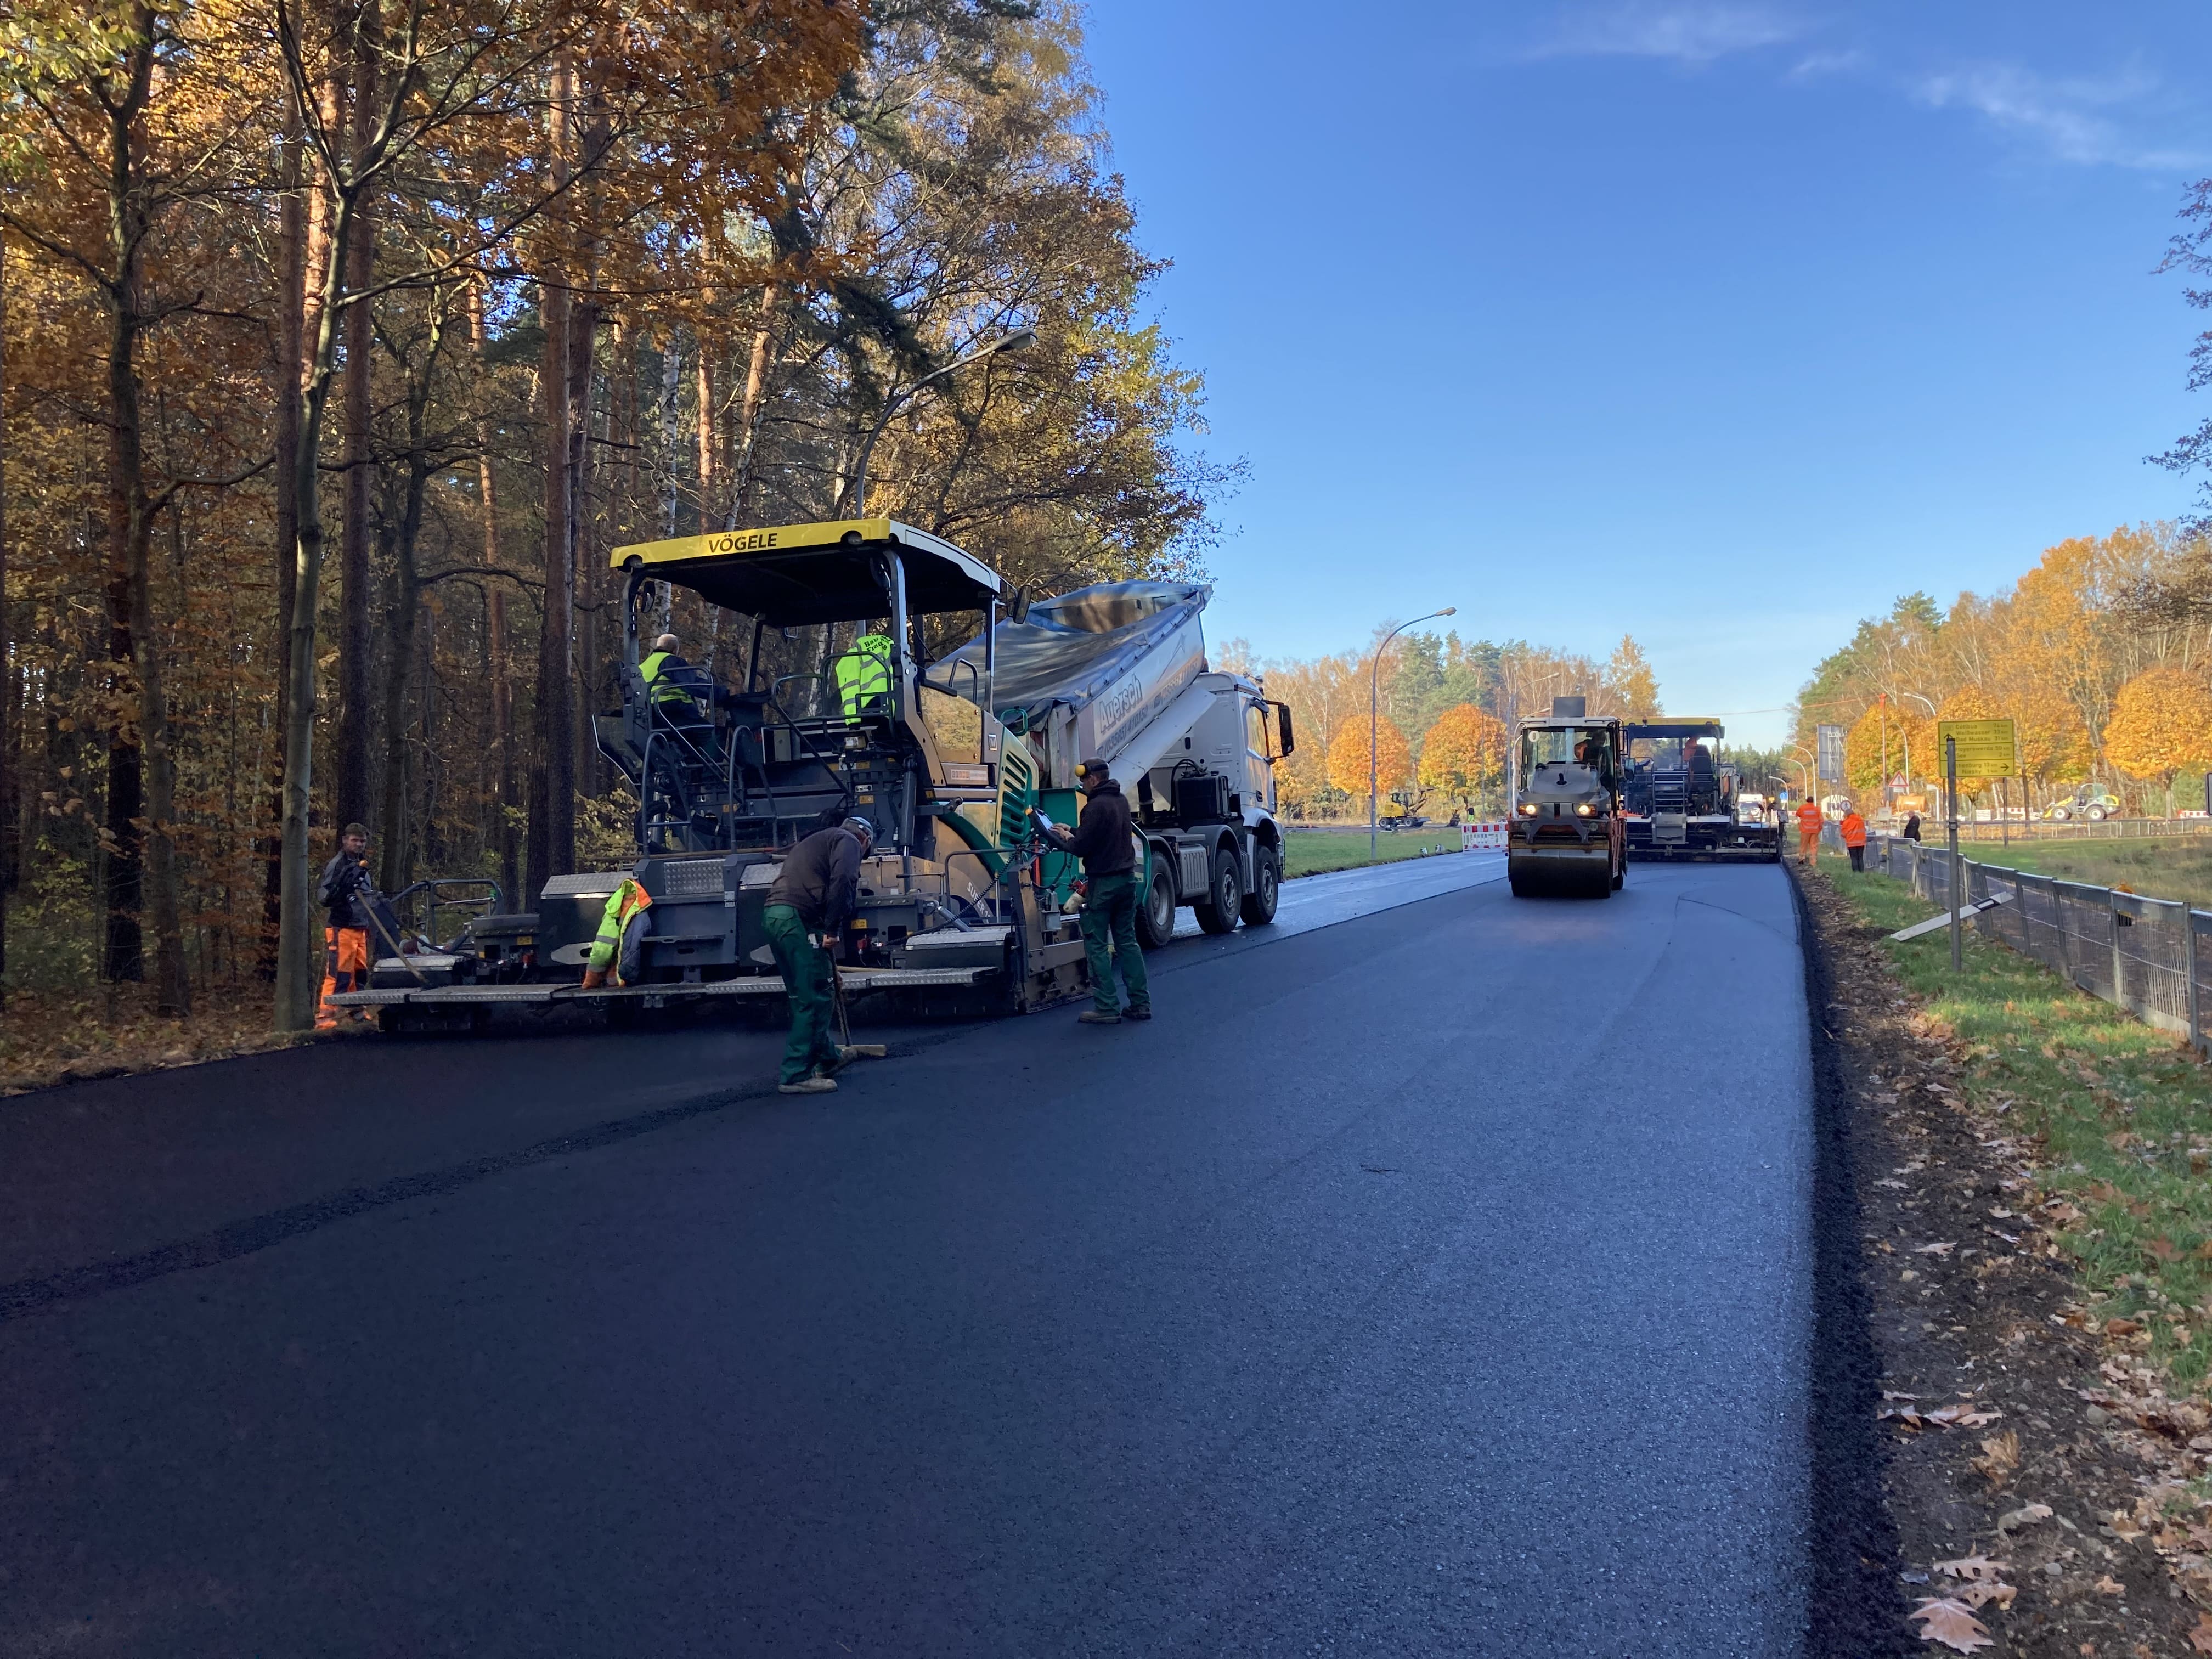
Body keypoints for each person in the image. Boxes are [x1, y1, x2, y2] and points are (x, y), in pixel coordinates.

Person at [763, 815, 875, 1093]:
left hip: (777, 917)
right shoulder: (849, 841)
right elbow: (845, 879)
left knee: (809, 991)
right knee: (815, 997)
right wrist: (834, 929)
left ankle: (828, 1056)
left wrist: (830, 966)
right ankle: (796, 1074)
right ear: (867, 841)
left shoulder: (819, 841)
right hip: (797, 920)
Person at [1052, 758, 1150, 1025]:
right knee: (1127, 942)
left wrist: (1065, 839)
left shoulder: (1094, 806)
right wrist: (1071, 831)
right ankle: (1140, 1004)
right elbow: (1097, 836)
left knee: (1096, 944)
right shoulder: (1120, 801)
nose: (1082, 785)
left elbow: (1083, 847)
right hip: (1127, 881)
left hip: (1103, 885)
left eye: (1084, 780)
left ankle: (1107, 1007)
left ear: (1093, 779)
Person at [316, 822, 376, 1029]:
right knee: (338, 972)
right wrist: (342, 893)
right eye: (355, 840)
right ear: (345, 841)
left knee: (359, 971)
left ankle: (356, 1010)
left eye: (362, 841)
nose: (359, 844)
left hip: (360, 926)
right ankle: (325, 1017)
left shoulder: (361, 864)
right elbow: (325, 896)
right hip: (342, 926)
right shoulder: (339, 865)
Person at [581, 864, 653, 991]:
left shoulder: (614, 911)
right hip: (627, 976)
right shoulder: (643, 911)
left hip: (619, 979)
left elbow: (602, 949)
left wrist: (591, 981)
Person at [834, 628, 895, 718]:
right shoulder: (894, 649)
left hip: (866, 708)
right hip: (889, 708)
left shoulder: (851, 656)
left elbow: (849, 685)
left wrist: (852, 719)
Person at [1795, 797, 1824, 865]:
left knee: (1803, 845)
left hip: (1805, 830)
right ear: (1813, 801)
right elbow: (1821, 820)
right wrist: (1820, 828)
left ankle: (1802, 858)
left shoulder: (1803, 808)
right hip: (1815, 831)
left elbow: (1797, 814)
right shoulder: (1817, 809)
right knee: (1813, 846)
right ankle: (1813, 862)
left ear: (1807, 801)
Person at [1839, 805, 1868, 872]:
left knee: (1854, 858)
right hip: (1861, 843)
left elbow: (1843, 834)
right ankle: (1861, 872)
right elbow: (1864, 830)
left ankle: (1856, 872)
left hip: (1852, 843)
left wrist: (1847, 837)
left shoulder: (1847, 822)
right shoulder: (1860, 821)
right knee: (1860, 858)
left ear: (1847, 815)